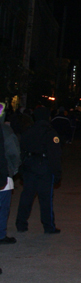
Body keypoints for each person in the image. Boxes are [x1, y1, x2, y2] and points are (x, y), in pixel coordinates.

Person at [15, 106, 62, 234]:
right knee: (46, 199)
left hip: (30, 166)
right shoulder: (50, 133)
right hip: (45, 168)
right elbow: (55, 155)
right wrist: (57, 173)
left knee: (26, 197)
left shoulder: (28, 131)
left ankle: (21, 224)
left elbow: (22, 150)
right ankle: (48, 227)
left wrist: (22, 169)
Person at [1, 103, 20, 244]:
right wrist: (12, 171)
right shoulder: (6, 131)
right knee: (3, 207)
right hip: (3, 174)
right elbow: (14, 153)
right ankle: (1, 234)